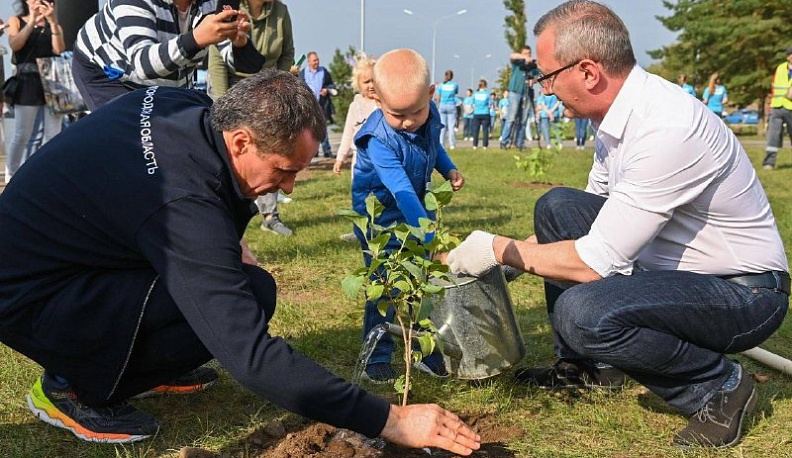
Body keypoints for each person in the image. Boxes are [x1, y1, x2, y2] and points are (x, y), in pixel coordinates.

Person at [0, 69, 481, 455]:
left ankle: (140, 361)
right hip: (31, 296)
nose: (290, 188)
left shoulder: (189, 110)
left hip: (73, 257)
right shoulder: (180, 200)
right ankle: (69, 386)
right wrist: (391, 419)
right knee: (233, 305)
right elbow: (250, 357)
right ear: (243, 143)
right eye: (285, 170)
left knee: (254, 288)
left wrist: (228, 240)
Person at [447, 0, 788, 449]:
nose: (545, 90)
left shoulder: (665, 127)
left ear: (588, 72)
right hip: (676, 274)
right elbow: (591, 225)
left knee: (582, 312)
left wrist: (498, 249)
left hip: (742, 293)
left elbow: (592, 262)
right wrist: (507, 257)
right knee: (559, 206)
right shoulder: (617, 120)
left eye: (548, 76)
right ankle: (588, 368)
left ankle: (718, 387)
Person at [352, 49, 466, 383]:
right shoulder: (378, 139)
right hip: (380, 217)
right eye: (396, 115)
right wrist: (428, 236)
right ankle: (378, 356)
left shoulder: (427, 112)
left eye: (415, 112)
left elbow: (433, 144)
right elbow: (399, 189)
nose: (407, 122)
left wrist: (448, 168)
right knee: (384, 284)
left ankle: (422, 350)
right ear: (376, 99)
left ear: (430, 96)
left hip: (416, 205)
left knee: (422, 280)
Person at [72, 0, 260, 111]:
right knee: (132, 138)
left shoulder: (211, 4)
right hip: (106, 73)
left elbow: (244, 63)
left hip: (167, 78)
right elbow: (143, 63)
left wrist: (239, 43)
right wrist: (196, 38)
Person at [207, 0, 295, 236]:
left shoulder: (280, 11)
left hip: (268, 85)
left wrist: (280, 88)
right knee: (230, 152)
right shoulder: (229, 6)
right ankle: (222, 216)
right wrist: (222, 104)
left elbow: (287, 53)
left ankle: (270, 216)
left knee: (272, 148)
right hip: (231, 84)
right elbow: (216, 57)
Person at [4, 0, 65, 184]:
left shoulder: (53, 24)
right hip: (28, 80)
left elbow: (59, 49)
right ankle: (12, 174)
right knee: (23, 132)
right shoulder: (16, 20)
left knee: (54, 133)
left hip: (52, 81)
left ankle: (50, 174)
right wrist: (31, 20)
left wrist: (52, 21)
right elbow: (15, 45)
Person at [334, 55, 377, 242]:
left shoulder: (384, 103)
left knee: (380, 197)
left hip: (381, 160)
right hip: (360, 159)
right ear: (358, 84)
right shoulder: (356, 105)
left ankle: (380, 229)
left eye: (374, 80)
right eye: (366, 81)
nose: (371, 85)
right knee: (360, 196)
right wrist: (340, 158)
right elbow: (347, 133)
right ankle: (360, 231)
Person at [499, 45, 540, 150]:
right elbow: (512, 55)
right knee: (511, 118)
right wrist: (524, 58)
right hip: (515, 92)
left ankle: (519, 142)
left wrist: (533, 80)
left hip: (526, 93)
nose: (527, 56)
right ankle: (504, 141)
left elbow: (537, 76)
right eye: (525, 53)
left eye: (529, 54)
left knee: (523, 119)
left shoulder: (532, 66)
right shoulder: (518, 63)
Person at [761, 45, 792, 170]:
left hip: (790, 107)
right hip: (777, 106)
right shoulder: (780, 68)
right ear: (788, 56)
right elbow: (774, 86)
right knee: (773, 135)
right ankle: (769, 162)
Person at [300, 51, 336, 158]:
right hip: (309, 106)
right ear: (309, 61)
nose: (317, 62)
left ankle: (327, 151)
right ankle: (313, 151)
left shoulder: (324, 71)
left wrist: (326, 90)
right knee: (310, 129)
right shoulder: (303, 73)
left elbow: (331, 85)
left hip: (322, 105)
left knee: (322, 128)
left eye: (317, 60)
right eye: (314, 60)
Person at [436, 69, 459, 150]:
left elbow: (438, 96)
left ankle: (442, 144)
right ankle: (452, 144)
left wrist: (438, 105)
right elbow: (456, 93)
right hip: (451, 105)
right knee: (451, 126)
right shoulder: (455, 85)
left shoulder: (441, 85)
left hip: (442, 105)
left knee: (442, 126)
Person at [470, 79, 492, 150]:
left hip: (477, 113)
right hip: (485, 113)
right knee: (485, 130)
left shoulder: (475, 94)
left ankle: (475, 145)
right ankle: (485, 145)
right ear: (485, 86)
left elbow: (472, 104)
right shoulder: (487, 94)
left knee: (476, 130)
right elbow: (490, 104)